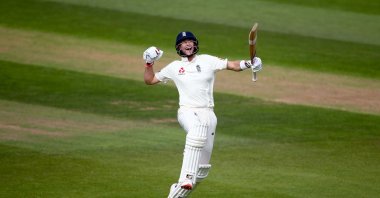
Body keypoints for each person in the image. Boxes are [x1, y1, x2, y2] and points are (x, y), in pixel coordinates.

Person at [143, 31, 262, 198]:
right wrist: (149, 63)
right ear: (179, 47)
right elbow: (150, 80)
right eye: (184, 42)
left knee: (202, 170)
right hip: (187, 111)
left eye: (190, 41)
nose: (188, 44)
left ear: (195, 44)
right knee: (196, 131)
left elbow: (233, 65)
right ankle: (186, 177)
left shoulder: (207, 60)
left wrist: (250, 63)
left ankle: (176, 193)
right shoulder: (174, 67)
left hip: (208, 114)